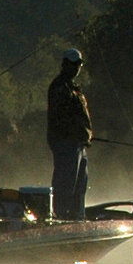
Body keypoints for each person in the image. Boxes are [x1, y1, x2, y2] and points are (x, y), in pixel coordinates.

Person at [45, 47, 95, 220]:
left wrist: (84, 134)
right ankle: (61, 218)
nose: (76, 68)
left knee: (80, 186)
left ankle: (77, 218)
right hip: (65, 143)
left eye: (78, 64)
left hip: (79, 145)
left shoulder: (74, 87)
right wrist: (78, 132)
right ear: (64, 64)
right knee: (65, 185)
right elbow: (61, 117)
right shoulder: (59, 87)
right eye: (73, 64)